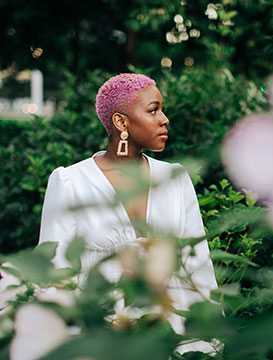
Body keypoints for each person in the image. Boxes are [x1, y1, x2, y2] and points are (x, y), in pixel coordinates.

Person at [38, 73, 218, 353]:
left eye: (162, 109)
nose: (164, 119)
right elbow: (55, 272)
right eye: (153, 109)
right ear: (121, 122)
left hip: (173, 334)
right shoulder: (71, 181)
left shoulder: (175, 178)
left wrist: (209, 337)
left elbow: (198, 264)